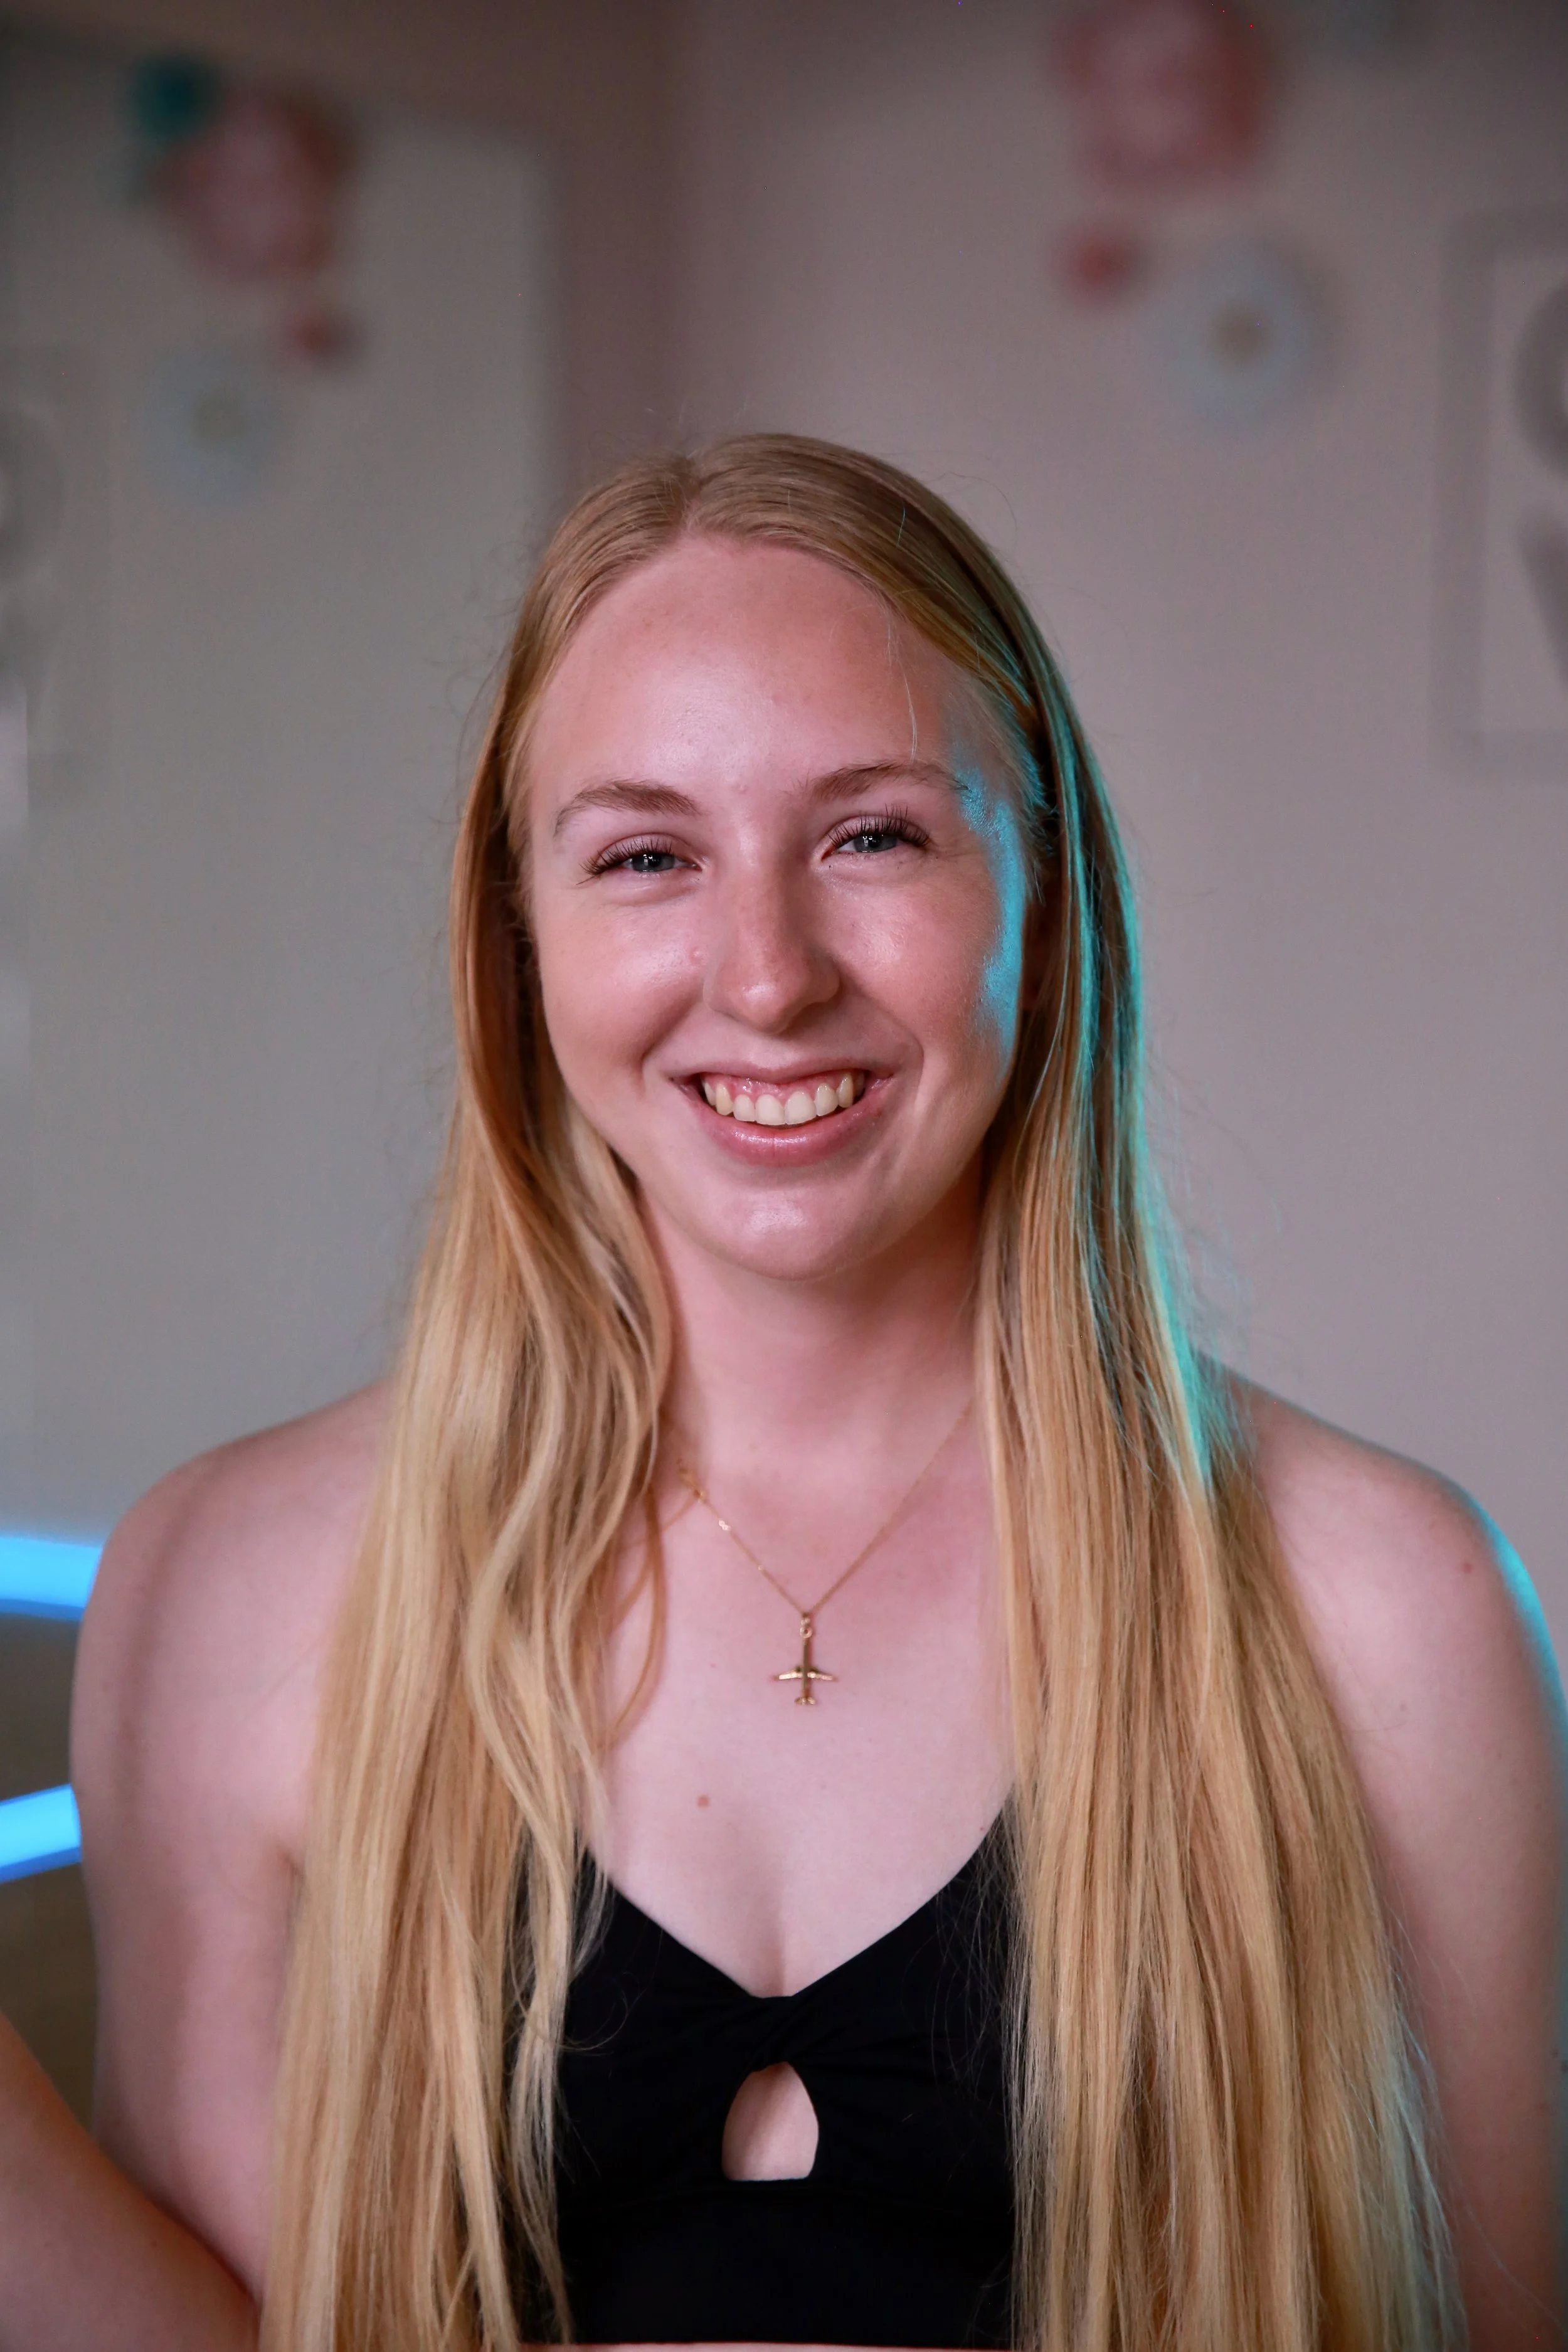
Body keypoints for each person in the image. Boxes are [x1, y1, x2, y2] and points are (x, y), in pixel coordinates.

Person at [4, 435, 1562, 2351]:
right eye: (645, 856)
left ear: (1043, 896)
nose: (763, 977)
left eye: (871, 837)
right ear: (518, 938)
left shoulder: (1386, 1609)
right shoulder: (229, 1590)